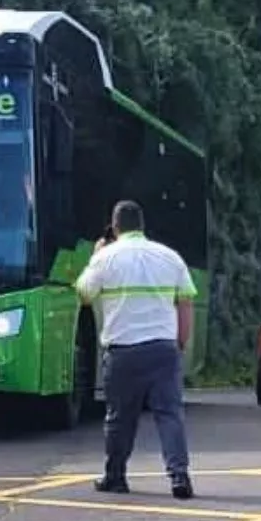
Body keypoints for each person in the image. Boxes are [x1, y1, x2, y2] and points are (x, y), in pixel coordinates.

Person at [75, 200, 196, 499]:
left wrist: (95, 257)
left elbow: (84, 294)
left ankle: (115, 476)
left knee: (119, 418)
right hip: (163, 350)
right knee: (169, 414)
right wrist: (180, 342)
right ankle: (179, 476)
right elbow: (185, 303)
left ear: (115, 228)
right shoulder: (170, 257)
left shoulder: (106, 258)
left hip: (123, 351)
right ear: (142, 225)